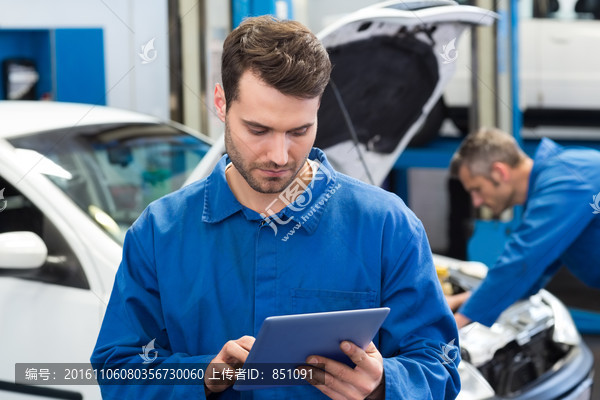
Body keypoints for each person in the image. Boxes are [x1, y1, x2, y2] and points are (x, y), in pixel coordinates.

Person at [91, 16, 460, 399]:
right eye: (258, 129)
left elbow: (440, 366)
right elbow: (118, 371)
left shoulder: (386, 227)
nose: (279, 155)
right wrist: (203, 376)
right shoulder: (159, 233)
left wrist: (384, 385)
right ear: (221, 103)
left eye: (299, 131)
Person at [448, 127, 600, 328]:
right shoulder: (556, 179)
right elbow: (531, 275)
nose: (476, 202)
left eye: (477, 189)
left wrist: (455, 326)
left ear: (499, 172)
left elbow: (524, 258)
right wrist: (463, 301)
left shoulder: (566, 178)